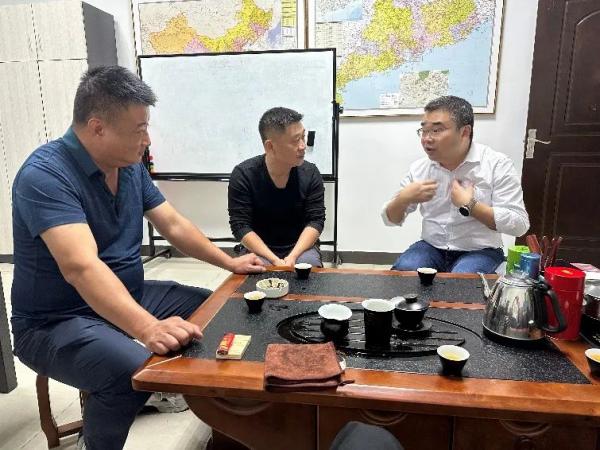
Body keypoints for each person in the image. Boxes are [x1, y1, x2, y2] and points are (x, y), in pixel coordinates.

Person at [10, 66, 265, 450]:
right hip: (55, 320)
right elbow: (81, 267)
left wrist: (230, 262)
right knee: (130, 372)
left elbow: (173, 224)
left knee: (218, 310)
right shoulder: (45, 175)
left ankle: (226, 421)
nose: (147, 140)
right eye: (139, 130)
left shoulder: (128, 167)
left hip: (127, 293)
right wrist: (148, 328)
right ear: (97, 128)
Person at [382, 96, 529, 273]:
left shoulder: (496, 164)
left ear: (465, 132)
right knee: (405, 271)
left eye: (436, 130)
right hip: (431, 247)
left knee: (461, 280)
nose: (427, 139)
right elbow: (390, 219)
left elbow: (520, 225)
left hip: (480, 250)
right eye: (424, 130)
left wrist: (471, 205)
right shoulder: (420, 168)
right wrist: (403, 199)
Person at [228, 106, 326, 267]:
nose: (303, 146)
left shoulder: (310, 173)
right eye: (295, 140)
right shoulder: (244, 174)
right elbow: (240, 225)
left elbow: (316, 220)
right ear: (270, 146)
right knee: (258, 272)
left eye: (303, 137)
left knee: (307, 269)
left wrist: (293, 256)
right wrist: (274, 260)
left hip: (300, 248)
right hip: (260, 249)